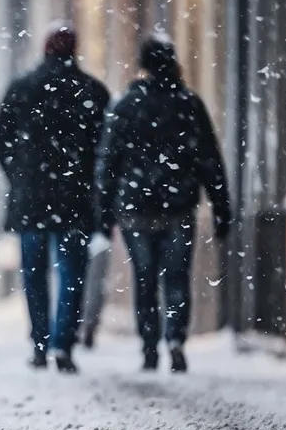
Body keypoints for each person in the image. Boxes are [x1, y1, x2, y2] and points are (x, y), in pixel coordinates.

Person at [95, 35, 231, 373]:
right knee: (176, 277)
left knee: (145, 279)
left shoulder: (126, 105)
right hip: (178, 206)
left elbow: (108, 162)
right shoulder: (188, 103)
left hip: (136, 208)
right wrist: (220, 206)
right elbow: (209, 159)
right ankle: (175, 338)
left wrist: (104, 211)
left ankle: (149, 345)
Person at [0, 24, 110, 374]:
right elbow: (104, 149)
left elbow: (1, 140)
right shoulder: (92, 91)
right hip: (74, 197)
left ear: (45, 49)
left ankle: (40, 342)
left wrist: (19, 175)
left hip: (31, 197)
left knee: (34, 273)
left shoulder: (21, 88)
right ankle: (63, 343)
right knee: (72, 274)